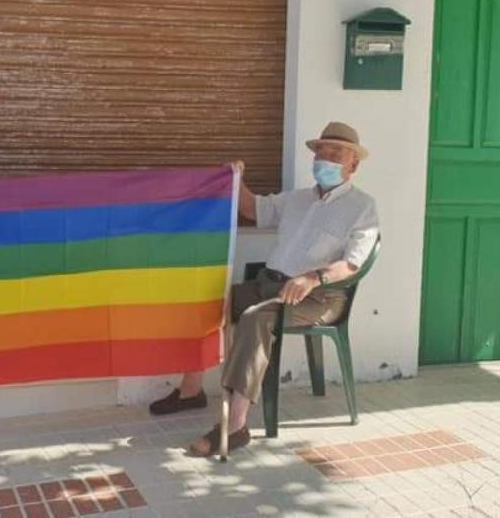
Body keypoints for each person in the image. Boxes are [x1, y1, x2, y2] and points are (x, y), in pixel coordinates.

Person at [148, 122, 379, 457]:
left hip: (319, 297)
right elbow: (251, 208)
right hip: (270, 284)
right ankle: (191, 390)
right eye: (321, 152)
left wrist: (313, 277)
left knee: (256, 319)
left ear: (353, 164)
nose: (325, 158)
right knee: (207, 303)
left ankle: (236, 426)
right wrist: (235, 178)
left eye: (335, 153)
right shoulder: (297, 199)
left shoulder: (362, 207)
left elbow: (352, 265)